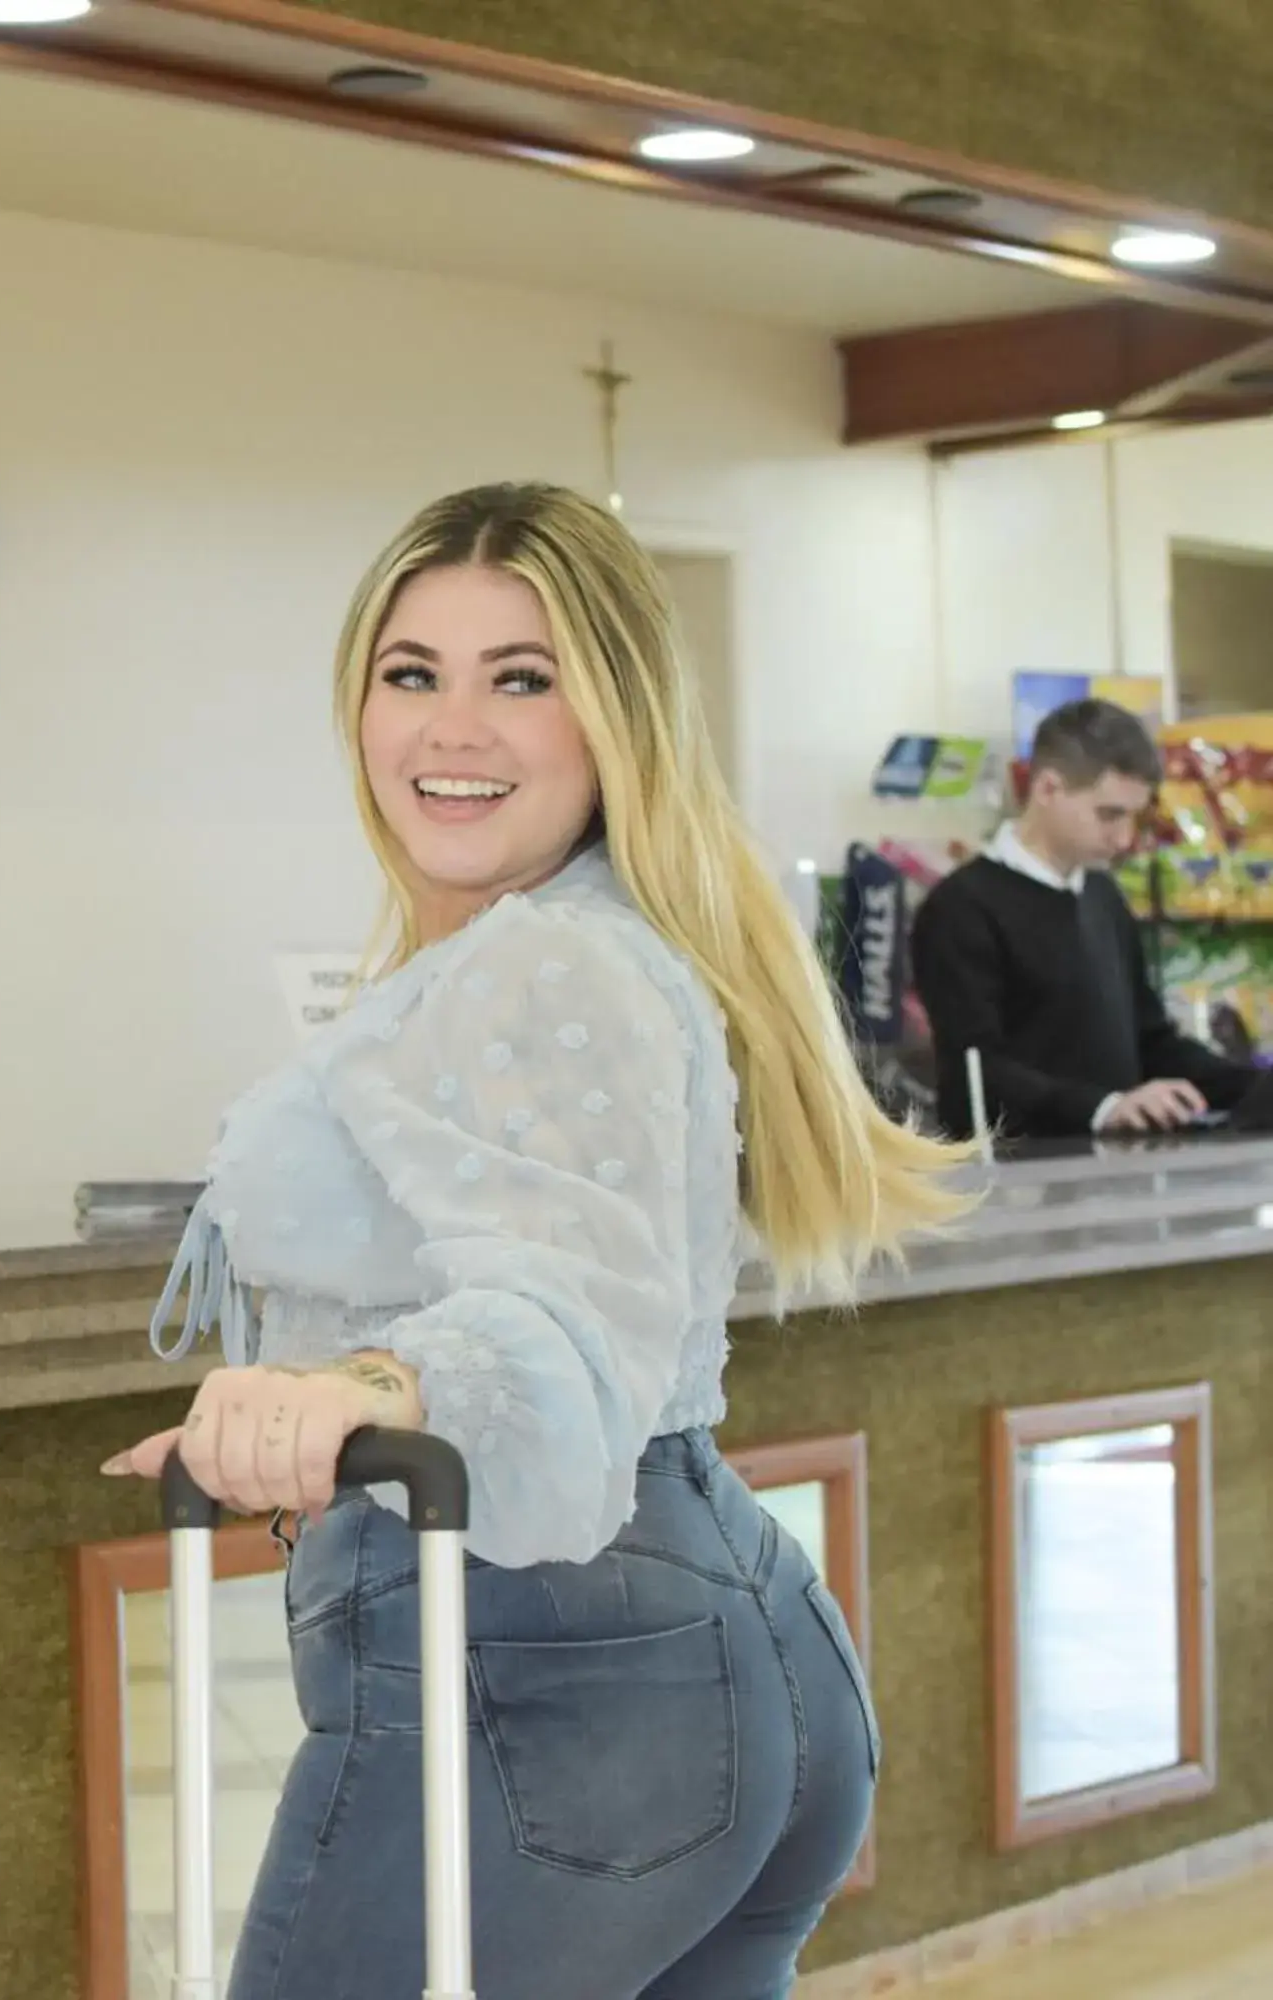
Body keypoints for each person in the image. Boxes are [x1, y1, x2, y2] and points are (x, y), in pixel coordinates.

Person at [106, 482, 974, 1999]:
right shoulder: (586, 941)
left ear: (615, 715)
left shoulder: (544, 965)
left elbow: (561, 1305)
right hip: (706, 1643)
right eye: (410, 674)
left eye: (523, 677)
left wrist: (360, 1385)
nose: (454, 729)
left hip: (540, 1670)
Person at [909, 697, 1261, 1141]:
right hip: (1014, 1184)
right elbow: (975, 1073)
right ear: (1048, 789)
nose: (1124, 836)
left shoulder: (1103, 896)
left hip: (1114, 1177)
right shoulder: (959, 908)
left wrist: (1253, 1087)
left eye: (1135, 817)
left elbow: (1150, 1042)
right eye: (1109, 814)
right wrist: (1103, 1108)